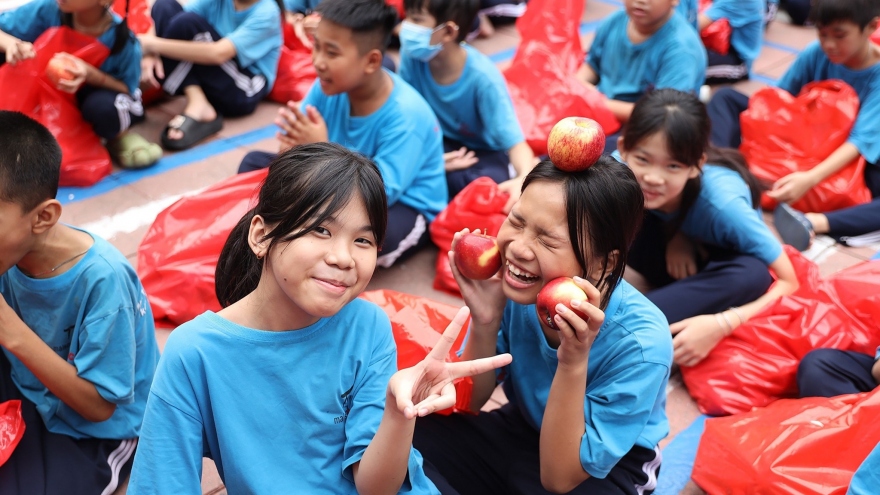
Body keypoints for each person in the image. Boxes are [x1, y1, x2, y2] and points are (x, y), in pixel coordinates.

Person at [127, 142, 511, 494]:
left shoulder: (367, 326)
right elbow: (164, 483)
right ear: (261, 236)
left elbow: (375, 486)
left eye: (363, 240)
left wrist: (398, 413)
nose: (343, 257)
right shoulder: (194, 354)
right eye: (320, 230)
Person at [413, 157, 673, 495]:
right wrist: (486, 320)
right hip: (523, 427)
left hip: (599, 468)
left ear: (603, 262)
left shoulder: (641, 343)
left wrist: (573, 360)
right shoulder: (524, 291)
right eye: (517, 221)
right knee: (401, 434)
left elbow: (559, 479)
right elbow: (471, 403)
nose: (518, 248)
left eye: (547, 240)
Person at [0, 111, 159, 494]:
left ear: (43, 217)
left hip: (94, 430)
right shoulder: (8, 250)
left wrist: (14, 334)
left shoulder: (103, 281)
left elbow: (100, 408)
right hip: (30, 387)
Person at [237, 0, 447, 268]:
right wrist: (291, 148)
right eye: (316, 47)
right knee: (254, 164)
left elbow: (379, 196)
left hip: (395, 205)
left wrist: (319, 147)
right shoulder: (328, 86)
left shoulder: (407, 116)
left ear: (371, 61)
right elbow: (290, 152)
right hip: (332, 182)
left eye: (331, 53)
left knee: (370, 234)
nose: (317, 61)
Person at [617, 89, 799, 367]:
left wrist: (720, 324)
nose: (653, 177)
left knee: (753, 275)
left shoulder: (724, 205)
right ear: (623, 149)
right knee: (607, 198)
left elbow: (790, 282)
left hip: (716, 271)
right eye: (643, 160)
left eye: (673, 165)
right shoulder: (620, 168)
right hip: (670, 253)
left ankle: (625, 325)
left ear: (696, 166)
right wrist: (678, 234)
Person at [708, 0, 880, 250]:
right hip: (803, 143)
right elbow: (776, 102)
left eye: (840, 35)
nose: (829, 44)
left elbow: (860, 143)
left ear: (871, 28)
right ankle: (721, 175)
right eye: (822, 34)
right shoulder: (817, 53)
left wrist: (808, 179)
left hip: (851, 160)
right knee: (726, 100)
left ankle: (814, 222)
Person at [399, 0, 536, 207]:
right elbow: (407, 118)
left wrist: (524, 178)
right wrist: (432, 159)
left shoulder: (483, 79)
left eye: (417, 20)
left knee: (483, 185)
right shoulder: (413, 57)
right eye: (407, 16)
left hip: (482, 152)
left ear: (448, 32)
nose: (405, 26)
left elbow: (516, 144)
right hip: (440, 141)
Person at [0, 0, 161, 168]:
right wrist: (11, 44)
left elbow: (127, 88)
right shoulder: (49, 9)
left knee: (103, 108)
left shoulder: (123, 41)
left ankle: (118, 136)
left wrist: (90, 74)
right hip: (49, 96)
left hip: (90, 98)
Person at [138, 0, 283, 150]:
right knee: (164, 7)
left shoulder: (267, 11)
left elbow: (218, 53)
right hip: (216, 74)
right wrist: (150, 54)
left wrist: (151, 45)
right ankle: (197, 99)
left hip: (243, 89)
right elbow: (170, 21)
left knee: (187, 23)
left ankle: (198, 103)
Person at [576, 0, 707, 153]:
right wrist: (578, 85)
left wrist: (594, 100)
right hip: (597, 110)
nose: (641, 1)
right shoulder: (615, 20)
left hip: (644, 130)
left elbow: (663, 115)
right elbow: (592, 65)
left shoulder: (681, 49)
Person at [698, 0, 765, 84]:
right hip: (719, 46)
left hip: (738, 61)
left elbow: (695, 25)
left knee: (685, 68)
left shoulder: (739, 2)